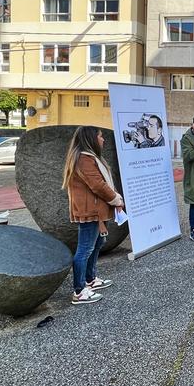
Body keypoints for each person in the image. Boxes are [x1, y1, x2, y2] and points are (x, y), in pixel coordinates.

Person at [62, 126, 124, 304]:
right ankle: (79, 291)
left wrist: (114, 199)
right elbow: (97, 185)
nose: (103, 140)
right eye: (100, 136)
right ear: (91, 139)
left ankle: (90, 279)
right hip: (90, 211)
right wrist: (117, 200)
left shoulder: (89, 157)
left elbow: (102, 183)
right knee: (85, 249)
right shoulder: (84, 158)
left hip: (95, 210)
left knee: (98, 242)